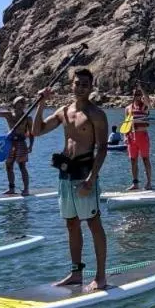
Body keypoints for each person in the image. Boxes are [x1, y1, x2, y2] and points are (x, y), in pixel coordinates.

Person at [33, 68, 110, 289]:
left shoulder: (97, 114)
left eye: (85, 84)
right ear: (72, 85)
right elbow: (37, 131)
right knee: (71, 224)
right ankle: (76, 273)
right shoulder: (63, 112)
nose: (81, 87)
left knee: (94, 223)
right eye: (78, 83)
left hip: (85, 173)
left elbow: (103, 148)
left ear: (91, 87)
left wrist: (91, 179)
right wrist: (41, 103)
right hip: (65, 174)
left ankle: (101, 276)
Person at [0, 96, 32, 195]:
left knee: (22, 166)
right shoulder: (8, 115)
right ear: (14, 104)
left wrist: (31, 145)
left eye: (23, 102)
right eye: (19, 102)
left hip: (21, 143)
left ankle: (26, 189)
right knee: (8, 166)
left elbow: (31, 133)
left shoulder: (27, 118)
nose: (21, 104)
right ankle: (11, 188)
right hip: (9, 142)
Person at [123, 84, 153, 190]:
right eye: (135, 94)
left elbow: (148, 100)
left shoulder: (144, 106)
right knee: (133, 160)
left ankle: (149, 182)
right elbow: (126, 124)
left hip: (142, 136)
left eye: (139, 94)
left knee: (145, 159)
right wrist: (125, 136)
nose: (137, 96)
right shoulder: (128, 108)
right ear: (132, 95)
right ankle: (135, 183)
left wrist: (141, 88)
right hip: (131, 137)